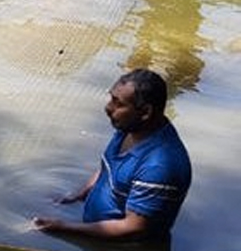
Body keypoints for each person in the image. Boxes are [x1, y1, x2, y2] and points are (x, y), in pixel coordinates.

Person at [34, 69, 192, 241]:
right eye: (111, 98)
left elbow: (134, 229)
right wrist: (77, 196)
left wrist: (63, 228)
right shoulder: (130, 127)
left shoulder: (160, 165)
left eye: (118, 103)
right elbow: (107, 168)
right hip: (94, 235)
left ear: (145, 112)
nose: (108, 108)